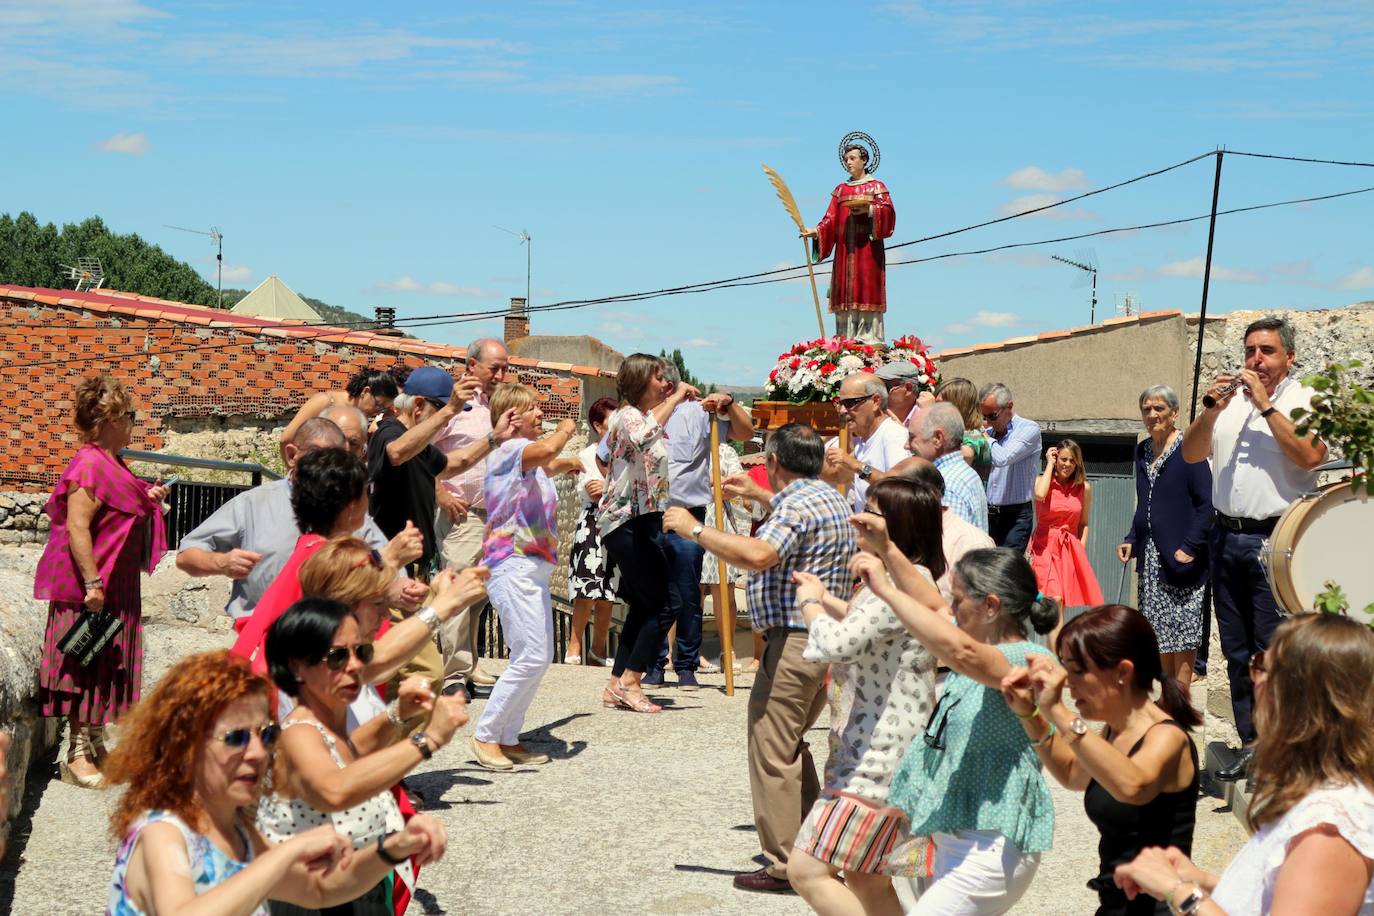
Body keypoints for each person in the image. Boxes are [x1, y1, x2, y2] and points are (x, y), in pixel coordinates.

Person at [104, 649, 449, 915]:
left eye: (266, 734)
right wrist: (287, 853)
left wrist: (393, 849)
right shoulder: (164, 832)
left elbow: (319, 890)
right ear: (185, 746)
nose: (258, 752)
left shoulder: (237, 831)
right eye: (237, 738)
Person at [663, 422, 858, 894]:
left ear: (773, 461)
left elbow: (760, 554)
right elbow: (796, 525)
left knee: (772, 748)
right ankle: (816, 845)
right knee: (788, 744)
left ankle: (789, 864)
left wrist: (694, 528)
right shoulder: (830, 495)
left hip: (793, 641)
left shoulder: (797, 501)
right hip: (819, 640)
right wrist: (759, 495)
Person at [1113, 613, 1374, 915]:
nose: (1254, 676)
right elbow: (1278, 895)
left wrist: (1178, 891)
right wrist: (1202, 882)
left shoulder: (1330, 830)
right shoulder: (1323, 797)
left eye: (1264, 666)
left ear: (1304, 696)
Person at [861, 542, 1058, 916]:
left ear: (991, 606)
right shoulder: (979, 640)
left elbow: (959, 652)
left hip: (992, 847)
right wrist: (887, 547)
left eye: (959, 600)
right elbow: (932, 606)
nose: (949, 609)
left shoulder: (1023, 661)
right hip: (957, 838)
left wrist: (885, 590)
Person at [786, 477, 944, 916]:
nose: (859, 516)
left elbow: (836, 644)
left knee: (806, 870)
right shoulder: (909, 581)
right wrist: (832, 602)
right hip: (888, 757)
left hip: (874, 765)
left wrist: (811, 602)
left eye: (871, 510)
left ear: (899, 526)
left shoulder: (896, 584)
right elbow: (869, 624)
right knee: (866, 879)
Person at [1181, 316, 1326, 781]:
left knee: (1274, 648)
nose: (1255, 360)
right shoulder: (1229, 404)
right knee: (1237, 649)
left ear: (1289, 357)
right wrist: (1210, 409)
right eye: (1250, 351)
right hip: (1225, 536)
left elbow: (1311, 456)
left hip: (1274, 537)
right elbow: (1190, 453)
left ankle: (1282, 748)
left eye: (1266, 351)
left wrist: (1265, 406)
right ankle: (1252, 743)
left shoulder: (1304, 398)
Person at [260, 598, 469, 915]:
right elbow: (334, 789)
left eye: (362, 652)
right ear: (296, 665)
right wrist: (429, 740)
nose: (355, 666)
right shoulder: (297, 734)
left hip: (355, 892)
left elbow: (352, 752)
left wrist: (399, 713)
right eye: (337, 657)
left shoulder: (328, 727)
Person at [1002, 605, 1201, 915]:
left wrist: (1060, 712)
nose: (1068, 682)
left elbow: (1133, 785)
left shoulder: (1167, 738)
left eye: (1078, 670)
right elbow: (1072, 773)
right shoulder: (1113, 731)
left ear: (1122, 672)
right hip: (1116, 906)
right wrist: (1030, 713)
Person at [34, 374, 169, 788]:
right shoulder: (90, 464)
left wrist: (147, 500)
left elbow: (118, 509)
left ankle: (94, 742)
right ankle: (74, 754)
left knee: (107, 663)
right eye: (130, 415)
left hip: (119, 584)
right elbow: (78, 527)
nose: (133, 423)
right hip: (94, 586)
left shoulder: (113, 464)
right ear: (110, 419)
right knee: (86, 664)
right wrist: (92, 583)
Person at [177, 418, 420, 625]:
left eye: (333, 458)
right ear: (292, 455)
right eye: (316, 455)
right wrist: (221, 562)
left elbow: (390, 578)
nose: (324, 466)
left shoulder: (352, 514)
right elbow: (187, 555)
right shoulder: (253, 503)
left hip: (329, 638)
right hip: (259, 636)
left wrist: (405, 590)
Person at [231, 448, 423, 676]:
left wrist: (398, 588)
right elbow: (348, 580)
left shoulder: (310, 546)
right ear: (351, 505)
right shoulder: (323, 556)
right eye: (366, 490)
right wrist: (391, 557)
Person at [469, 382, 580, 771]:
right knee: (531, 654)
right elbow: (549, 452)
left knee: (538, 655)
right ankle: (486, 734)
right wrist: (568, 427)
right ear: (512, 417)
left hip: (531, 567)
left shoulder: (523, 459)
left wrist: (570, 464)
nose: (541, 413)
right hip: (512, 563)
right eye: (533, 408)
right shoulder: (510, 449)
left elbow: (549, 464)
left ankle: (508, 736)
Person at [596, 353, 699, 714]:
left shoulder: (642, 418)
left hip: (641, 521)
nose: (666, 383)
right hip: (627, 522)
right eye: (659, 378)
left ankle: (616, 683)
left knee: (645, 604)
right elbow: (640, 438)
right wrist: (675, 397)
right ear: (642, 381)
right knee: (667, 602)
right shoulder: (627, 416)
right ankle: (631, 681)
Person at [643, 360, 753, 689]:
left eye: (662, 381)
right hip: (649, 510)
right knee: (653, 590)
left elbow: (746, 433)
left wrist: (729, 405)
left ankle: (686, 663)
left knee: (687, 590)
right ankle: (654, 662)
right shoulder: (640, 414)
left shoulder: (698, 412)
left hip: (688, 510)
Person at [367, 366, 511, 585]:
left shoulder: (420, 445)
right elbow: (396, 452)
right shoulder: (389, 431)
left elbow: (455, 463)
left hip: (414, 569)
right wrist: (450, 410)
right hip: (390, 567)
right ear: (417, 405)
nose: (446, 423)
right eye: (440, 409)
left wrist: (494, 438)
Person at [1118, 385, 1212, 688]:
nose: (1152, 414)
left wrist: (1191, 546)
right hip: (1151, 556)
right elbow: (1144, 501)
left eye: (1159, 408)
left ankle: (1180, 699)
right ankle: (1169, 696)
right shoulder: (1142, 450)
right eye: (1146, 409)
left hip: (1181, 554)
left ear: (1174, 413)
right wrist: (1132, 538)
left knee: (1182, 631)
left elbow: (1206, 503)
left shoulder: (1190, 449)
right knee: (1157, 631)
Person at [432, 338, 511, 698]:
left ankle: (470, 662)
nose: (501, 374)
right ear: (471, 366)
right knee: (458, 591)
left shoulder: (498, 406)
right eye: (494, 367)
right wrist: (439, 492)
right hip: (461, 513)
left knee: (478, 596)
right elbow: (422, 452)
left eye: (505, 368)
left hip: (495, 515)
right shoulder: (453, 406)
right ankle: (453, 677)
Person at [801, 137, 896, 344]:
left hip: (868, 250)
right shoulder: (841, 190)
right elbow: (830, 219)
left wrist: (870, 209)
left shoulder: (876, 186)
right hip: (844, 251)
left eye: (853, 158)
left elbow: (888, 213)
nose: (849, 162)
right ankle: (845, 336)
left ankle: (869, 336)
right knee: (845, 288)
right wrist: (816, 232)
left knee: (866, 286)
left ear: (864, 160)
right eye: (846, 159)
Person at [889, 456, 995, 603]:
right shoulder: (896, 534)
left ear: (918, 498)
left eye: (890, 494)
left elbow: (976, 613)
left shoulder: (971, 544)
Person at [567, 396, 620, 665]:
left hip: (615, 525)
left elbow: (607, 491)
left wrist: (610, 491)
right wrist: (616, 492)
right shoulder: (587, 456)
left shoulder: (623, 454)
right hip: (592, 524)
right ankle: (574, 649)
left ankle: (598, 650)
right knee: (586, 589)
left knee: (608, 591)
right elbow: (593, 491)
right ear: (598, 426)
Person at [1030, 439, 1103, 611]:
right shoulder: (1042, 482)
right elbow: (1040, 494)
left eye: (1072, 460)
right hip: (1044, 546)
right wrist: (1049, 464)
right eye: (1063, 459)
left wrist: (1080, 549)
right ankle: (1055, 638)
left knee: (1060, 601)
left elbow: (1084, 523)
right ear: (1056, 459)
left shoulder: (1084, 488)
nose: (1068, 464)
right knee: (1052, 600)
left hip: (1068, 549)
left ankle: (1057, 638)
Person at [823, 371, 912, 511]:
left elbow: (898, 487)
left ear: (876, 401)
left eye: (850, 403)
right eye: (840, 404)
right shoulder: (863, 440)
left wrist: (855, 465)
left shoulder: (893, 435)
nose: (842, 410)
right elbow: (839, 476)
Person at [279, 367, 400, 459]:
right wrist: (294, 474)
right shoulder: (324, 401)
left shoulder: (359, 417)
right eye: (378, 405)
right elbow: (286, 439)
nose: (377, 412)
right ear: (366, 391)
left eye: (383, 409)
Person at [979, 383, 1042, 553]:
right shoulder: (990, 434)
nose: (987, 422)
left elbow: (1004, 457)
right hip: (988, 514)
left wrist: (985, 437)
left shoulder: (1029, 429)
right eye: (984, 417)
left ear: (1009, 406)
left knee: (1006, 571)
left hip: (1015, 516)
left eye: (992, 416)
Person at [909, 401, 988, 531]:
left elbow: (949, 546)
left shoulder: (946, 485)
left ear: (938, 438)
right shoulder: (961, 473)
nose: (906, 445)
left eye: (912, 437)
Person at [936, 378, 992, 480]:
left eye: (939, 404)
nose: (935, 409)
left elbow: (966, 455)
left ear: (958, 405)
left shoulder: (974, 434)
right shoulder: (954, 433)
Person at [876, 360, 924, 425]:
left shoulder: (926, 421)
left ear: (908, 389)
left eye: (885, 387)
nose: (877, 393)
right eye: (876, 387)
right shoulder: (873, 421)